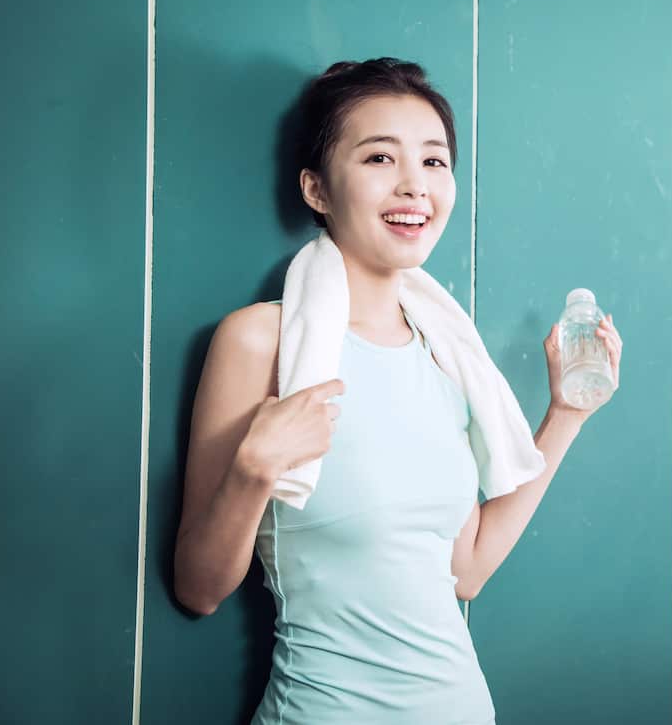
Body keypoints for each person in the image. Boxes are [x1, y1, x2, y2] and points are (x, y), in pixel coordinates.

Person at [172, 57, 623, 723]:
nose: (415, 184)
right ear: (317, 190)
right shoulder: (261, 343)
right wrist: (253, 469)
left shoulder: (448, 358)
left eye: (434, 161)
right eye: (380, 157)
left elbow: (466, 570)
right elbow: (198, 588)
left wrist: (567, 414)